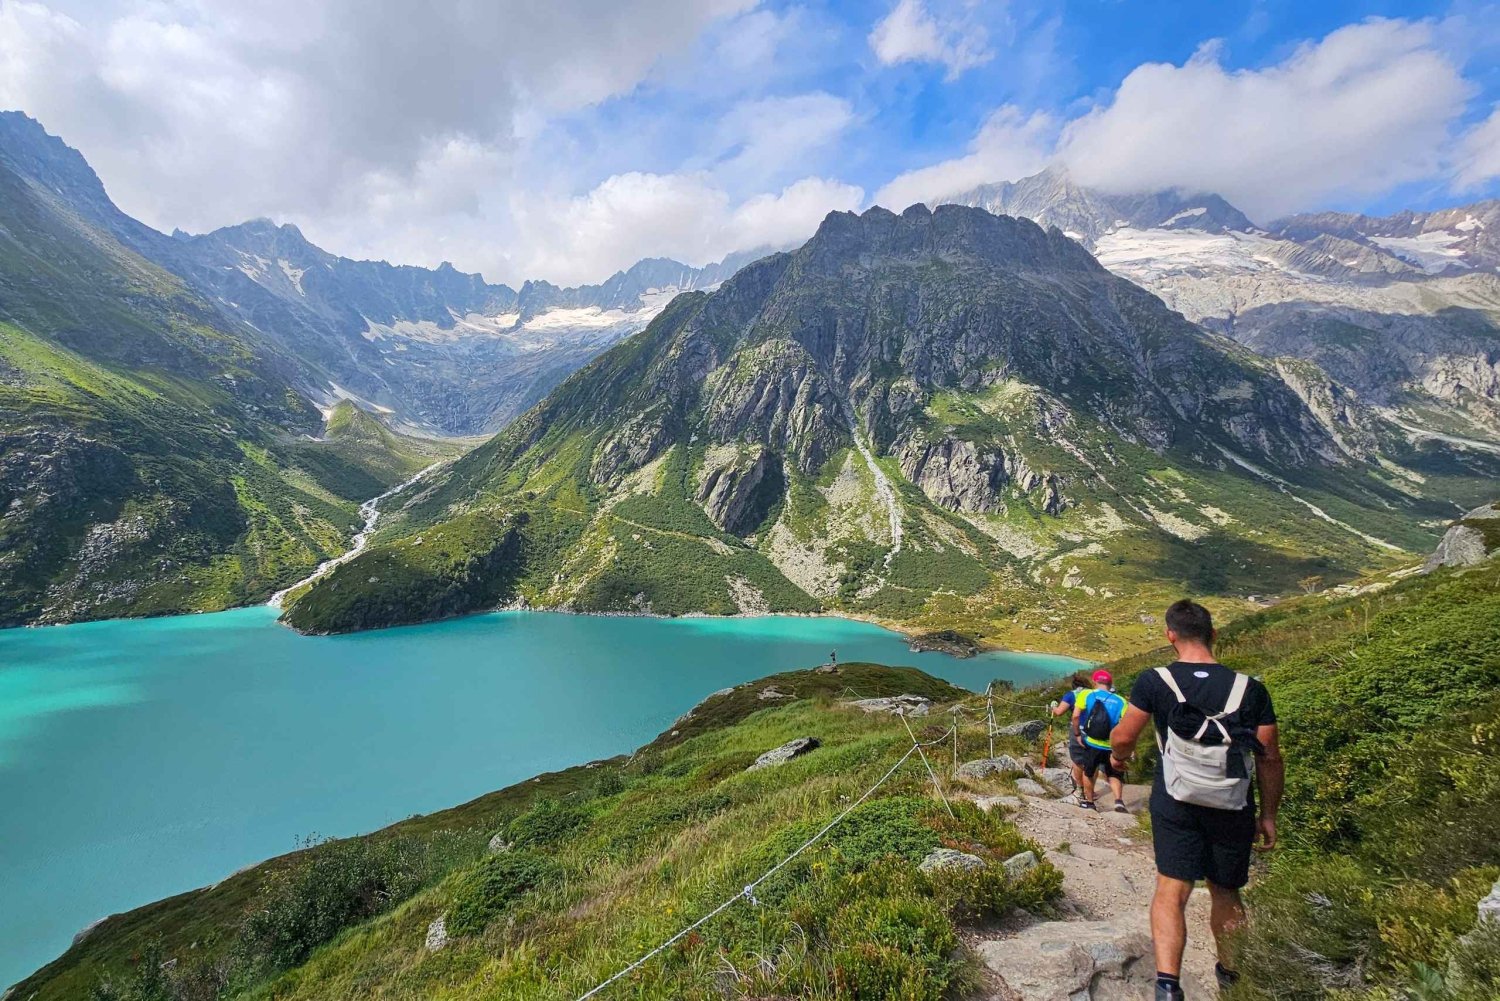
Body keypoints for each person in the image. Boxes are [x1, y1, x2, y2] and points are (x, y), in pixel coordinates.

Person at [1108, 600, 1283, 1001]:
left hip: (1176, 800)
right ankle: (1234, 978)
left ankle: (1168, 986)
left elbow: (1124, 736)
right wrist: (1269, 814)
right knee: (1226, 891)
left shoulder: (1155, 681)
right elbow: (1269, 755)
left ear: (1170, 635)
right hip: (1233, 802)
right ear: (1214, 635)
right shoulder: (1250, 689)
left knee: (1172, 886)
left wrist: (1119, 759)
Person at [1072, 668, 1128, 812]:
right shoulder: (1121, 701)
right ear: (1110, 683)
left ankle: (1090, 802)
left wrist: (1078, 734)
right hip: (1111, 744)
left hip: (1092, 741)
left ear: (1094, 682)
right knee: (1114, 773)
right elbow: (1126, 724)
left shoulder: (1087, 694)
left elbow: (1076, 716)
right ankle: (1118, 801)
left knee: (1089, 772)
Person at [1050, 671, 1094, 791]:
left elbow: (1059, 712)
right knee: (1094, 760)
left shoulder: (1071, 695)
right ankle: (1092, 789)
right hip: (1096, 730)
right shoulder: (1094, 693)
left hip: (1078, 729)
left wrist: (1053, 706)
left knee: (1077, 760)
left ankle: (1081, 789)